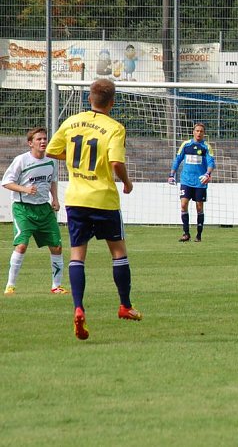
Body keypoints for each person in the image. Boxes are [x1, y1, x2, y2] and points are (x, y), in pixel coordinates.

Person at [46, 78, 142, 340]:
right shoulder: (114, 128)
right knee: (118, 251)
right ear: (112, 102)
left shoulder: (72, 122)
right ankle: (125, 305)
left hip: (76, 198)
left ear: (90, 98)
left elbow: (53, 151)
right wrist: (127, 182)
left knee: (78, 255)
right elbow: (115, 162)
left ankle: (78, 307)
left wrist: (77, 162)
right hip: (103, 199)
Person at [2, 127, 67, 295]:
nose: (43, 141)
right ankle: (10, 285)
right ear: (30, 143)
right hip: (23, 209)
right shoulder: (21, 160)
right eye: (39, 139)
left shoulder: (51, 160)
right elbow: (6, 182)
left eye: (45, 138)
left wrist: (55, 199)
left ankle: (56, 286)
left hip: (44, 209)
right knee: (22, 246)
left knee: (57, 247)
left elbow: (52, 181)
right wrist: (24, 189)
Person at [168, 123, 215, 242]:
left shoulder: (206, 147)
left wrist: (207, 174)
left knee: (199, 207)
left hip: (200, 181)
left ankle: (199, 235)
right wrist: (171, 174)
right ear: (193, 132)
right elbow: (178, 159)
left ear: (204, 133)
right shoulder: (186, 145)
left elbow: (211, 163)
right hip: (186, 180)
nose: (199, 133)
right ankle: (186, 233)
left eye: (201, 131)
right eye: (197, 131)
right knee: (183, 204)